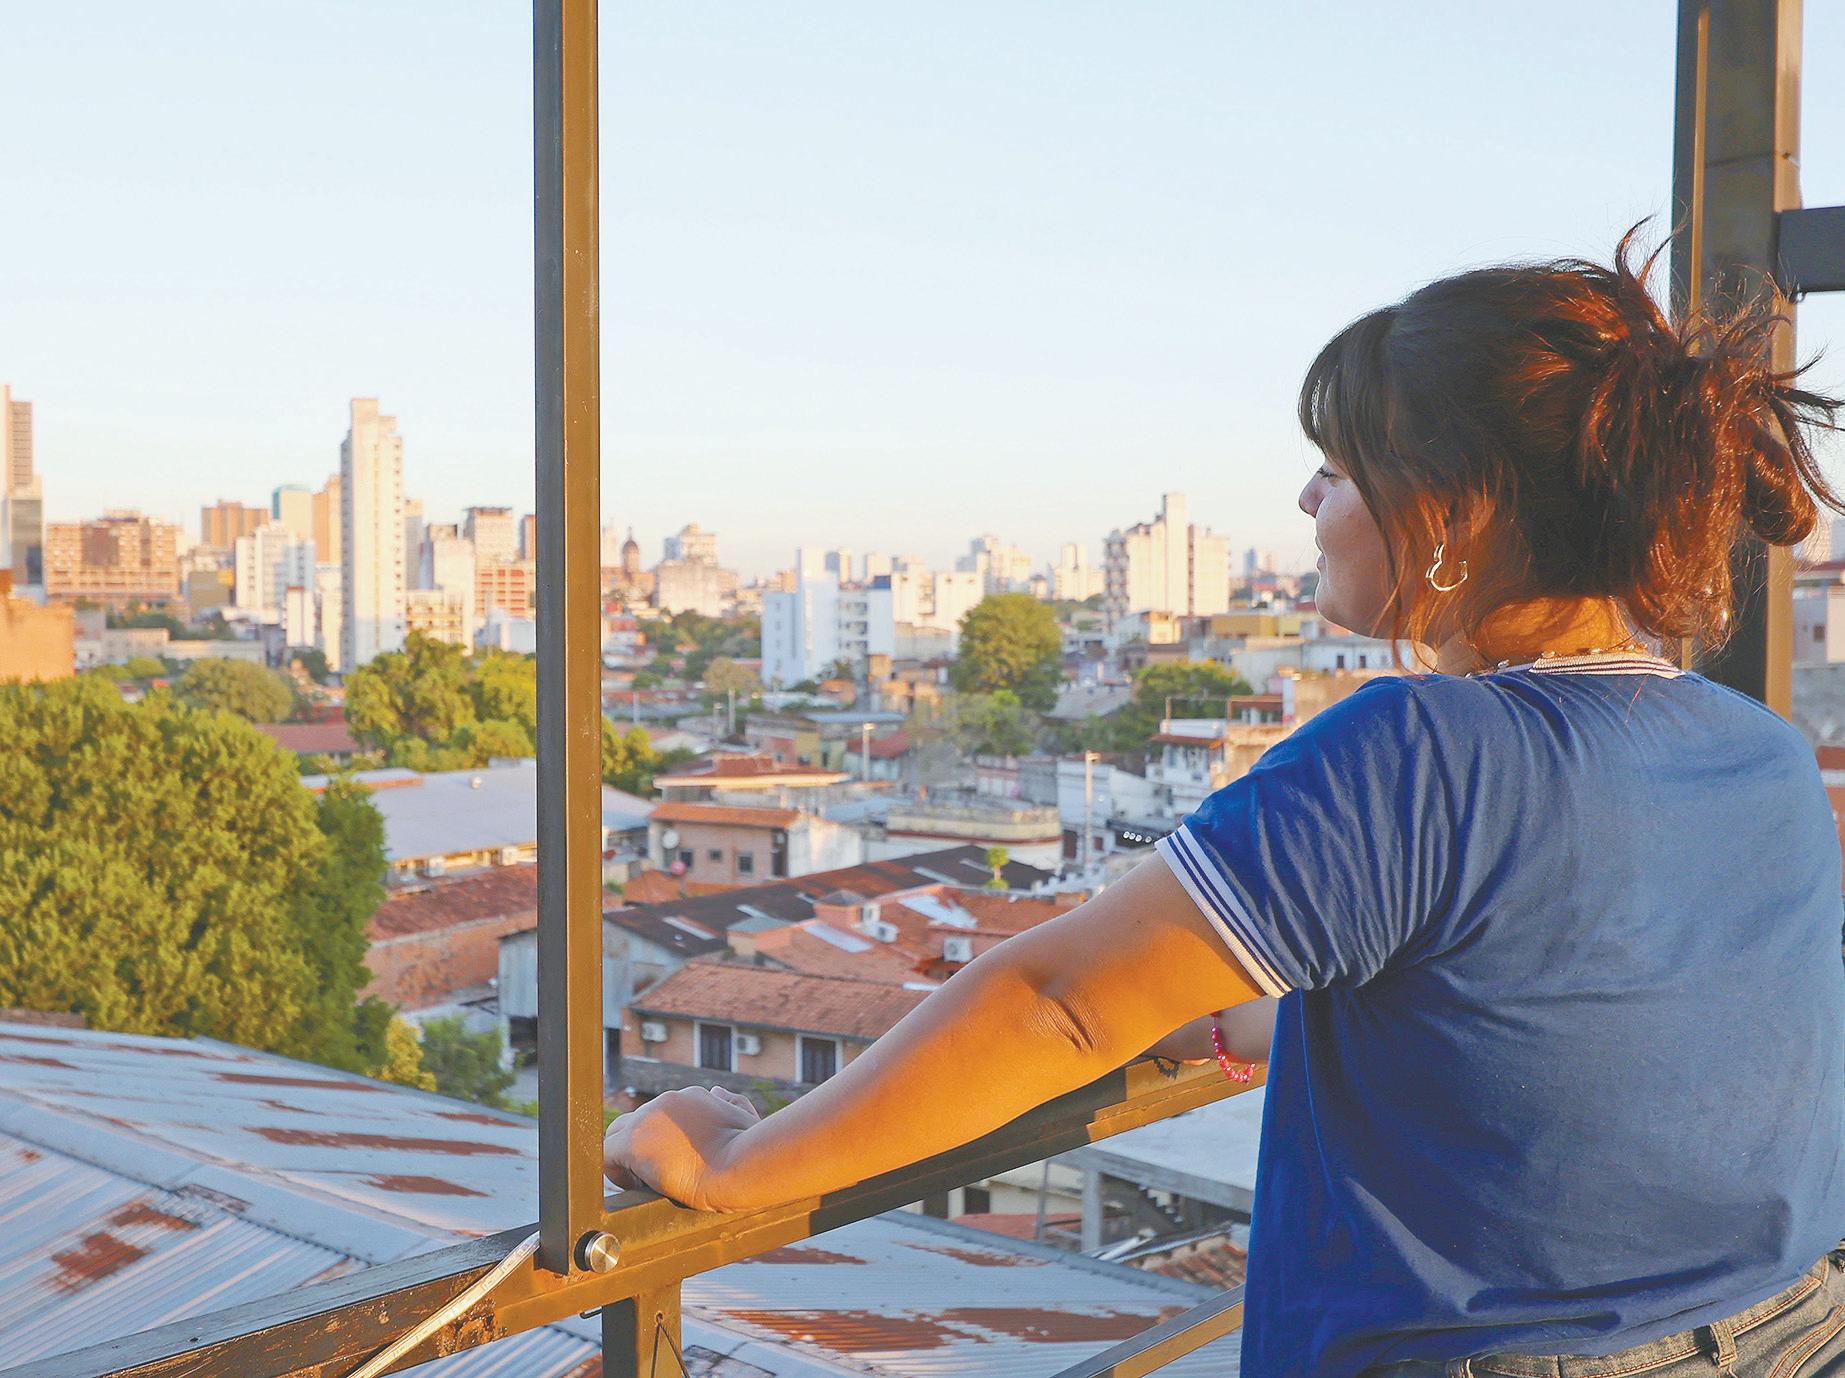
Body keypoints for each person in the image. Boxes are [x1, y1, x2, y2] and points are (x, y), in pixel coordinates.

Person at [604, 235, 1845, 1377]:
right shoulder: (1761, 750)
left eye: (1336, 469)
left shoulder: (1417, 750)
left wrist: (735, 1162)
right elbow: (1570, 1011)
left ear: (1450, 513)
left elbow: (1060, 1005)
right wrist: (1252, 1013)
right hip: (1788, 1322)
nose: (1307, 502)